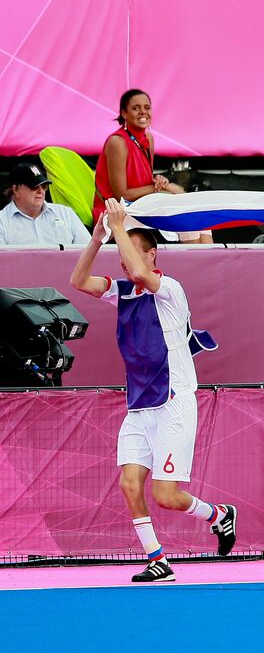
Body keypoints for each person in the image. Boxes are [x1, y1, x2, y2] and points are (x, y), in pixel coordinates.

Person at [68, 201, 237, 583]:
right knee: (129, 483)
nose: (126, 262)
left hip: (174, 400)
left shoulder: (170, 289)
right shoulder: (124, 292)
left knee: (167, 495)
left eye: (132, 250)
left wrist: (120, 228)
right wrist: (98, 240)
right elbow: (79, 281)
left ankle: (219, 515)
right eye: (122, 253)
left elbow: (142, 271)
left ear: (152, 252)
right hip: (139, 405)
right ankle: (158, 561)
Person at [93, 89, 211, 244]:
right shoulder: (117, 142)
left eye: (147, 107)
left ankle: (207, 265)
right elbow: (122, 194)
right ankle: (192, 265)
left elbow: (142, 180)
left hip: (143, 205)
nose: (143, 112)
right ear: (124, 113)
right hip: (118, 212)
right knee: (186, 217)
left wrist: (157, 180)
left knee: (200, 217)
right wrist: (159, 189)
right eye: (136, 108)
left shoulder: (148, 138)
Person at [0, 162, 88, 245]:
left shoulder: (66, 213)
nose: (40, 191)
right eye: (34, 186)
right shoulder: (2, 222)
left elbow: (91, 251)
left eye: (44, 186)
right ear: (15, 190)